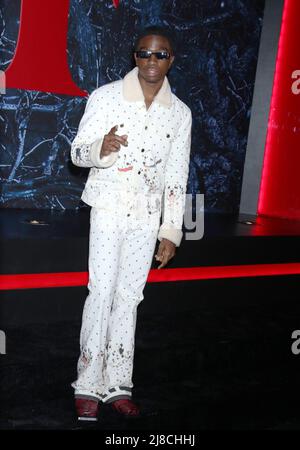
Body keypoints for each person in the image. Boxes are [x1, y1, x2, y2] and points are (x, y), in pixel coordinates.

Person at [70, 25, 192, 421]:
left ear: (171, 59)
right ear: (134, 57)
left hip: (145, 215)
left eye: (160, 55)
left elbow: (177, 174)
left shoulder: (180, 113)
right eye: (144, 53)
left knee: (130, 298)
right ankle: (88, 384)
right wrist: (98, 148)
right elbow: (76, 152)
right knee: (101, 293)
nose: (151, 61)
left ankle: (118, 384)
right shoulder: (105, 97)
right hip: (107, 206)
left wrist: (171, 230)